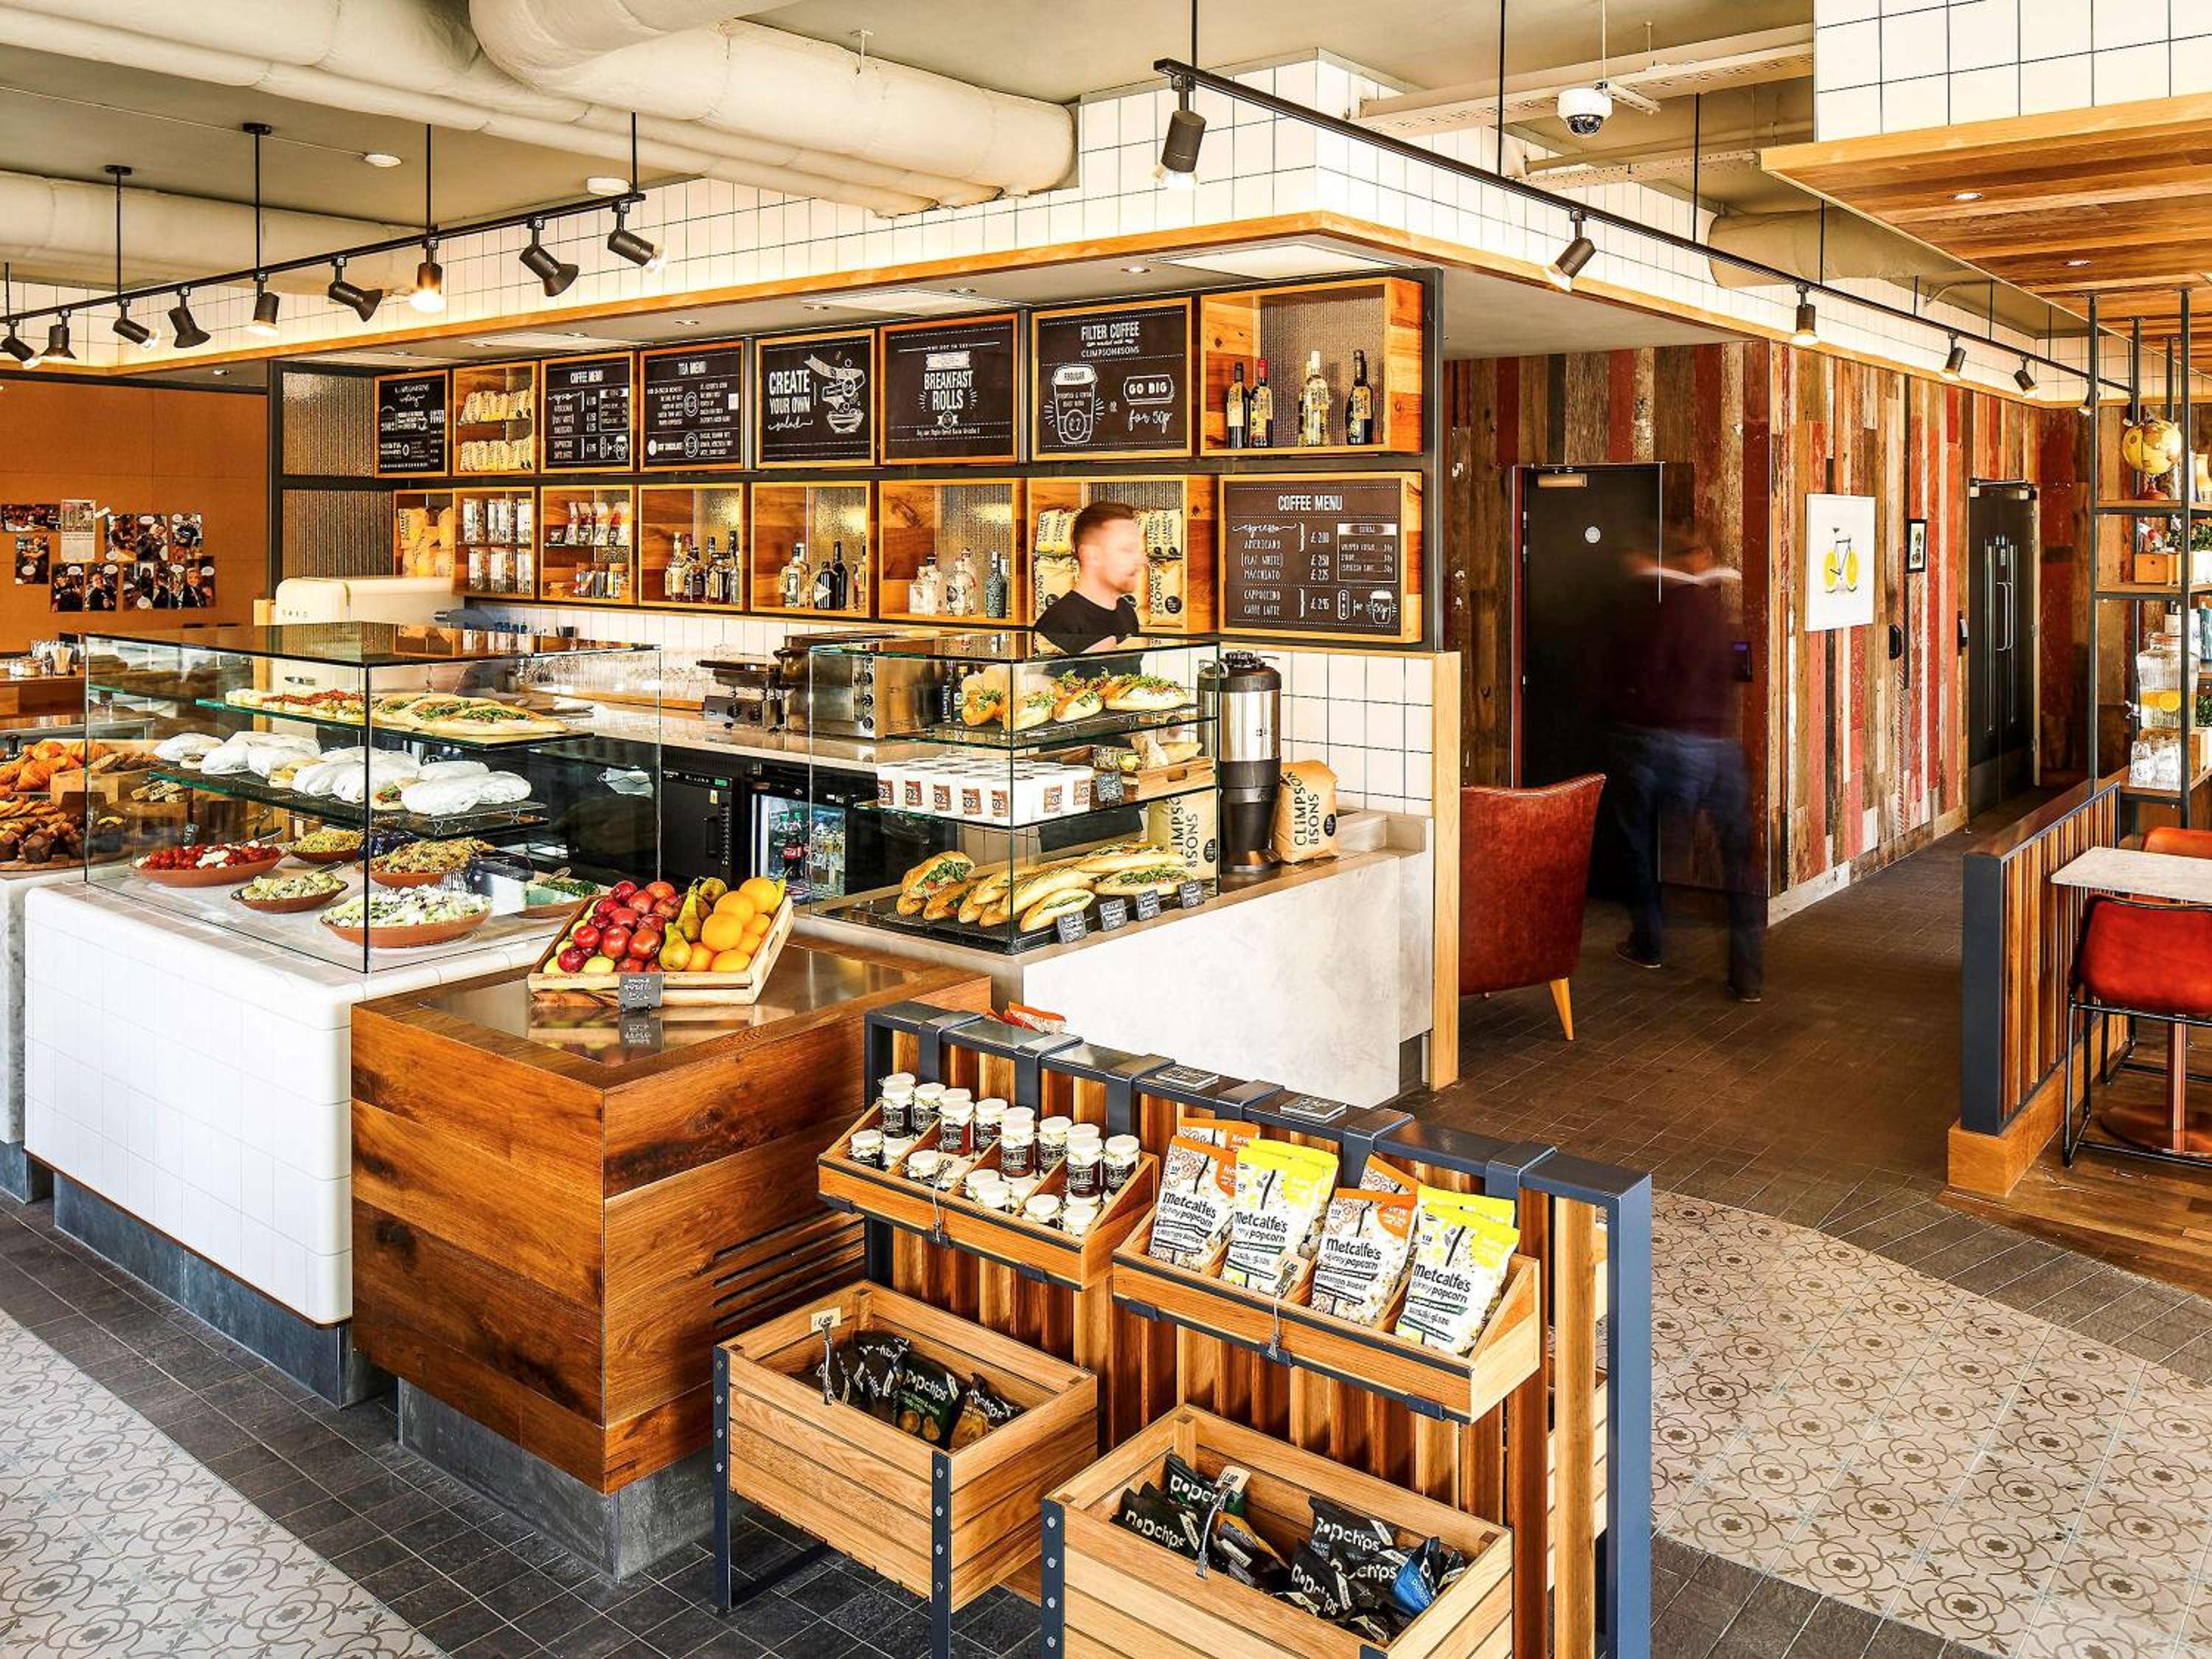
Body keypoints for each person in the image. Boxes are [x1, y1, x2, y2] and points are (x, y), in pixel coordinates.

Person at [1613, 531, 1764, 1002]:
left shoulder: (1667, 613)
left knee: (1638, 841)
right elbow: (1733, 675)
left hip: (1666, 745)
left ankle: (1649, 943)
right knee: (1739, 860)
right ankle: (1747, 976)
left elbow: (1650, 682)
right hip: (1721, 749)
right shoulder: (1720, 617)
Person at [1034, 500, 1142, 655]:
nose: (1141, 560)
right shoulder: (1058, 623)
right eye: (1127, 549)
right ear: (1092, 555)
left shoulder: (1126, 612)